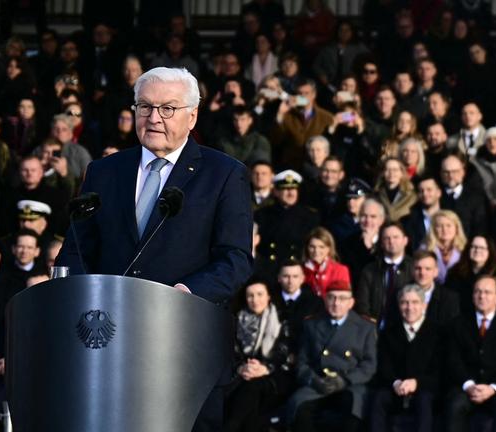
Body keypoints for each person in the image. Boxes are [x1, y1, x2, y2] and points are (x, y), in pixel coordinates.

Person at [55, 67, 253, 431]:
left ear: (192, 115)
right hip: (108, 344)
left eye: (167, 108)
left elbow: (235, 259)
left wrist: (186, 295)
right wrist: (78, 299)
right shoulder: (104, 171)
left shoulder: (224, 173)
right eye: (144, 107)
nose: (153, 117)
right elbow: (76, 251)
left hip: (183, 342)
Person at [286, 281, 377, 432]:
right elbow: (302, 362)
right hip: (318, 382)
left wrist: (345, 380)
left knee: (352, 411)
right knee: (299, 408)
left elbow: (369, 365)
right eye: (332, 298)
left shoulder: (365, 328)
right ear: (325, 300)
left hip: (350, 384)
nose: (336, 303)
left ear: (351, 302)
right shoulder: (312, 324)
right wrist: (313, 379)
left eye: (342, 299)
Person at [445, 276, 496, 432]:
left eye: (487, 292)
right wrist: (469, 385)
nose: (482, 296)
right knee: (455, 405)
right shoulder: (458, 323)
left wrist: (493, 387)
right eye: (478, 292)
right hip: (467, 386)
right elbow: (452, 359)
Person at [224, 280, 294, 432]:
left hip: (275, 375)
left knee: (250, 389)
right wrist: (242, 367)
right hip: (244, 375)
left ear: (268, 296)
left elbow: (284, 351)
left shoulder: (281, 319)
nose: (255, 300)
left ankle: (230, 427)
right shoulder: (238, 319)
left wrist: (265, 367)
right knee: (249, 394)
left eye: (259, 294)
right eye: (250, 296)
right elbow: (232, 353)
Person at [371, 284, 441, 432]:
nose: (409, 307)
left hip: (424, 388)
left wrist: (417, 382)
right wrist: (395, 382)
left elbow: (440, 370)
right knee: (379, 399)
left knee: (424, 401)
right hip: (395, 388)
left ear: (424, 305)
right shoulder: (388, 332)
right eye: (404, 302)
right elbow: (383, 365)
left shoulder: (438, 332)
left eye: (415, 302)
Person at [355, 222, 414, 326]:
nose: (391, 241)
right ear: (381, 243)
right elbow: (362, 304)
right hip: (374, 328)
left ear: (405, 240)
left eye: (396, 237)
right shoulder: (370, 270)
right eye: (387, 238)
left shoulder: (414, 268)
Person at [447, 236, 496, 313]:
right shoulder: (455, 272)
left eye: (482, 248)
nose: (477, 250)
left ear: (490, 251)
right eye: (474, 247)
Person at [302, 227, 350, 298]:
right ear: (307, 248)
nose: (316, 251)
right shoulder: (300, 270)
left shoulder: (340, 270)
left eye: (321, 247)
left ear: (329, 249)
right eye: (312, 247)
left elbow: (344, 297)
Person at [422, 210, 467, 284]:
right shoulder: (425, 249)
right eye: (439, 226)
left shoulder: (465, 249)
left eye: (448, 225)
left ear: (456, 228)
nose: (444, 230)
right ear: (433, 229)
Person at [375, 157, 417, 222]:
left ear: (402, 173)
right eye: (387, 169)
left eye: (395, 170)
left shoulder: (411, 196)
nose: (391, 173)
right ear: (383, 173)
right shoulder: (376, 195)